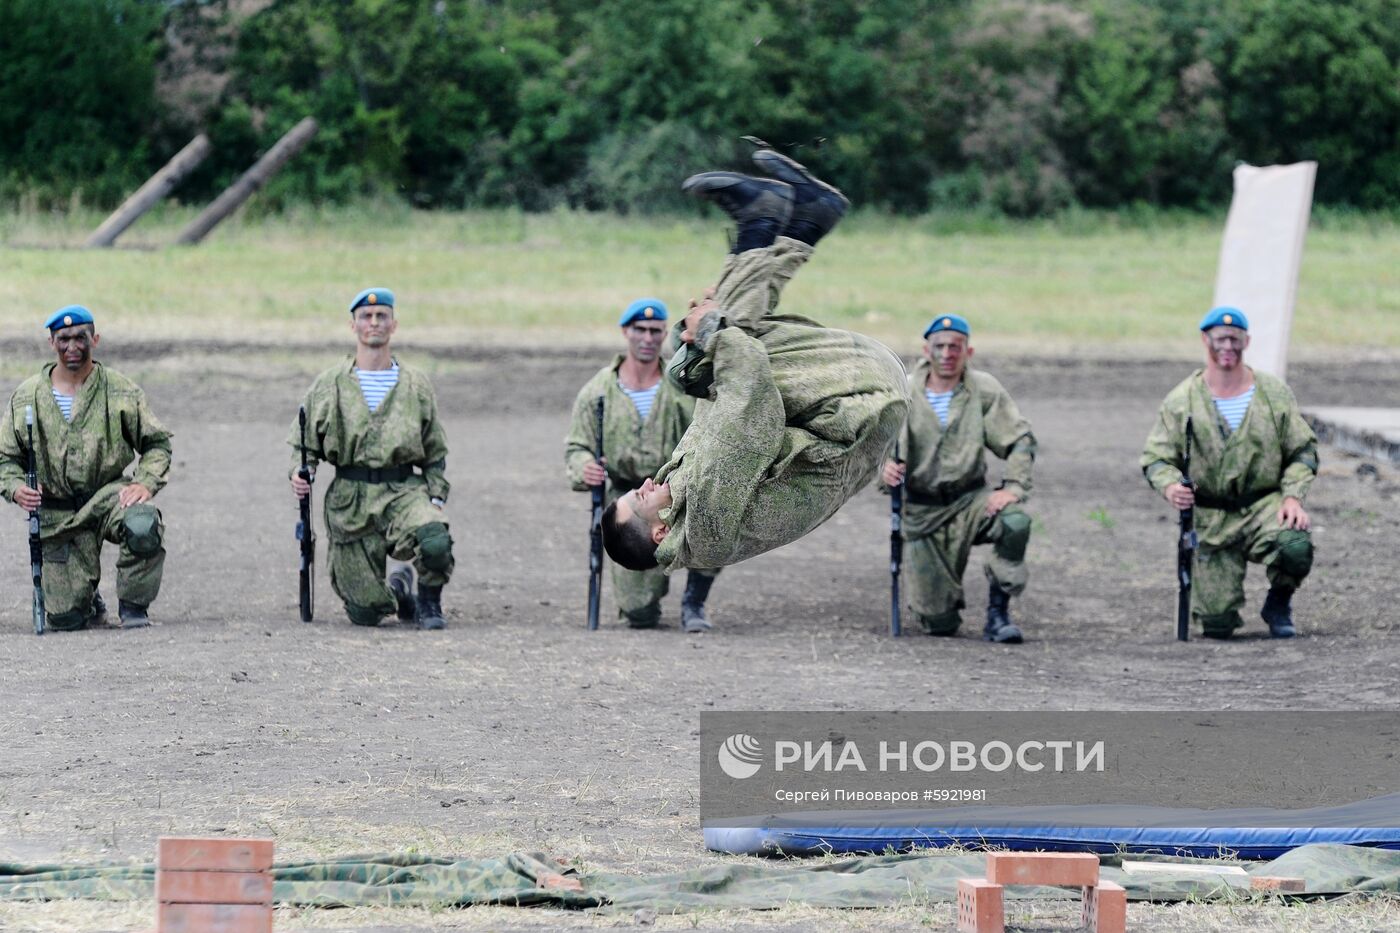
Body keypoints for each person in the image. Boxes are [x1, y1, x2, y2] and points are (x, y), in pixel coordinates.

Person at [602, 148, 908, 574]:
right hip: (855, 402)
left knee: (694, 363)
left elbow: (720, 399)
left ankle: (804, 221)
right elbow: (751, 413)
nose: (646, 484)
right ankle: (763, 222)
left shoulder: (682, 500)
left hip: (848, 392)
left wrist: (704, 331)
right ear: (659, 532)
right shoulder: (705, 522)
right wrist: (711, 331)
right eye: (640, 497)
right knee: (720, 350)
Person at [1140, 307, 1317, 638]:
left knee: (1295, 542)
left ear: (1246, 341)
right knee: (1216, 625)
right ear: (1205, 340)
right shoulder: (1182, 401)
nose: (1228, 347)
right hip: (1212, 517)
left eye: (1235, 339)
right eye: (1220, 339)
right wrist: (1169, 487)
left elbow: (1302, 451)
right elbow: (1156, 458)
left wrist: (1292, 497)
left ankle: (1279, 602)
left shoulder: (1273, 394)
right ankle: (1218, 607)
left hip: (1264, 505)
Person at [289, 288, 454, 629]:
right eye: (366, 317)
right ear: (354, 326)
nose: (374, 323)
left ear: (393, 325)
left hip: (403, 492)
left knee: (435, 538)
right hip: (350, 501)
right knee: (365, 614)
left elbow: (435, 449)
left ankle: (429, 604)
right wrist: (300, 473)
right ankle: (398, 592)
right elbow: (303, 444)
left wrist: (435, 497)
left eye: (382, 317)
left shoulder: (416, 385)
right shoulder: (329, 384)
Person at [0, 305, 173, 630]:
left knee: (142, 524)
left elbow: (157, 443)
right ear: (52, 342)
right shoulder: (27, 398)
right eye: (64, 339)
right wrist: (15, 488)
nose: (73, 346)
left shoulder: (121, 391)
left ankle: (134, 607)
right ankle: (87, 599)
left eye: (81, 337)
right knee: (65, 619)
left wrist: (145, 483)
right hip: (56, 513)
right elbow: (5, 458)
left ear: (95, 339)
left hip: (109, 497)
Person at [564, 298, 721, 632]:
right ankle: (646, 597)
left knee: (715, 526)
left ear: (664, 334)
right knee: (638, 612)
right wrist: (584, 468)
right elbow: (577, 447)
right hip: (628, 496)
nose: (648, 338)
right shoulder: (597, 392)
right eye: (640, 330)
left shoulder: (680, 385)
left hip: (678, 486)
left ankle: (694, 600)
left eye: (655, 331)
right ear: (626, 332)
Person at [880, 315, 1035, 642]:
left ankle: (998, 615)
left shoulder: (984, 389)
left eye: (955, 346)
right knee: (939, 624)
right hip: (923, 510)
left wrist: (1013, 487)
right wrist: (885, 470)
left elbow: (1019, 439)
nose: (947, 353)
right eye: (940, 346)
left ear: (969, 351)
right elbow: (878, 444)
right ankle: (938, 606)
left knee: (1015, 522)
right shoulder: (903, 391)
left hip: (971, 501)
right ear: (926, 349)